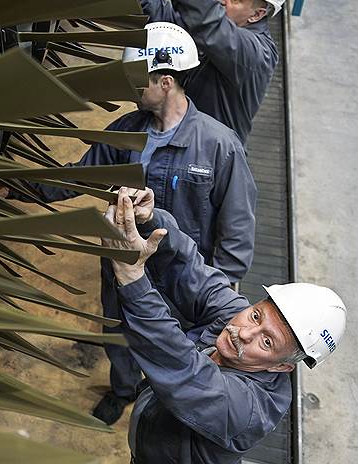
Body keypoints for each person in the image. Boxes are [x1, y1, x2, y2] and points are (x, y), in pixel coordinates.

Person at [0, 21, 257, 424]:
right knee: (119, 333)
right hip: (123, 264)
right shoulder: (127, 130)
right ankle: (123, 389)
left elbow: (237, 227)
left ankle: (161, 404)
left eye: (137, 81)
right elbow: (81, 177)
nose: (129, 88)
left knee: (173, 344)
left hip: (182, 276)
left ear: (165, 82)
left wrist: (221, 289)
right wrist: (16, 187)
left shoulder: (218, 145)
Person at [101, 187, 346, 463]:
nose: (244, 333)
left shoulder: (248, 410)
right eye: (256, 316)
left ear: (281, 366)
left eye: (267, 342)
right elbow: (191, 273)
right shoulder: (237, 315)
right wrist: (150, 221)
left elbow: (184, 370)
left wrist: (133, 279)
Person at [140, 0, 291, 143]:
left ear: (257, 15)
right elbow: (172, 19)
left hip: (210, 155)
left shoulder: (257, 55)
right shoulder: (221, 27)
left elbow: (208, 23)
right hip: (178, 137)